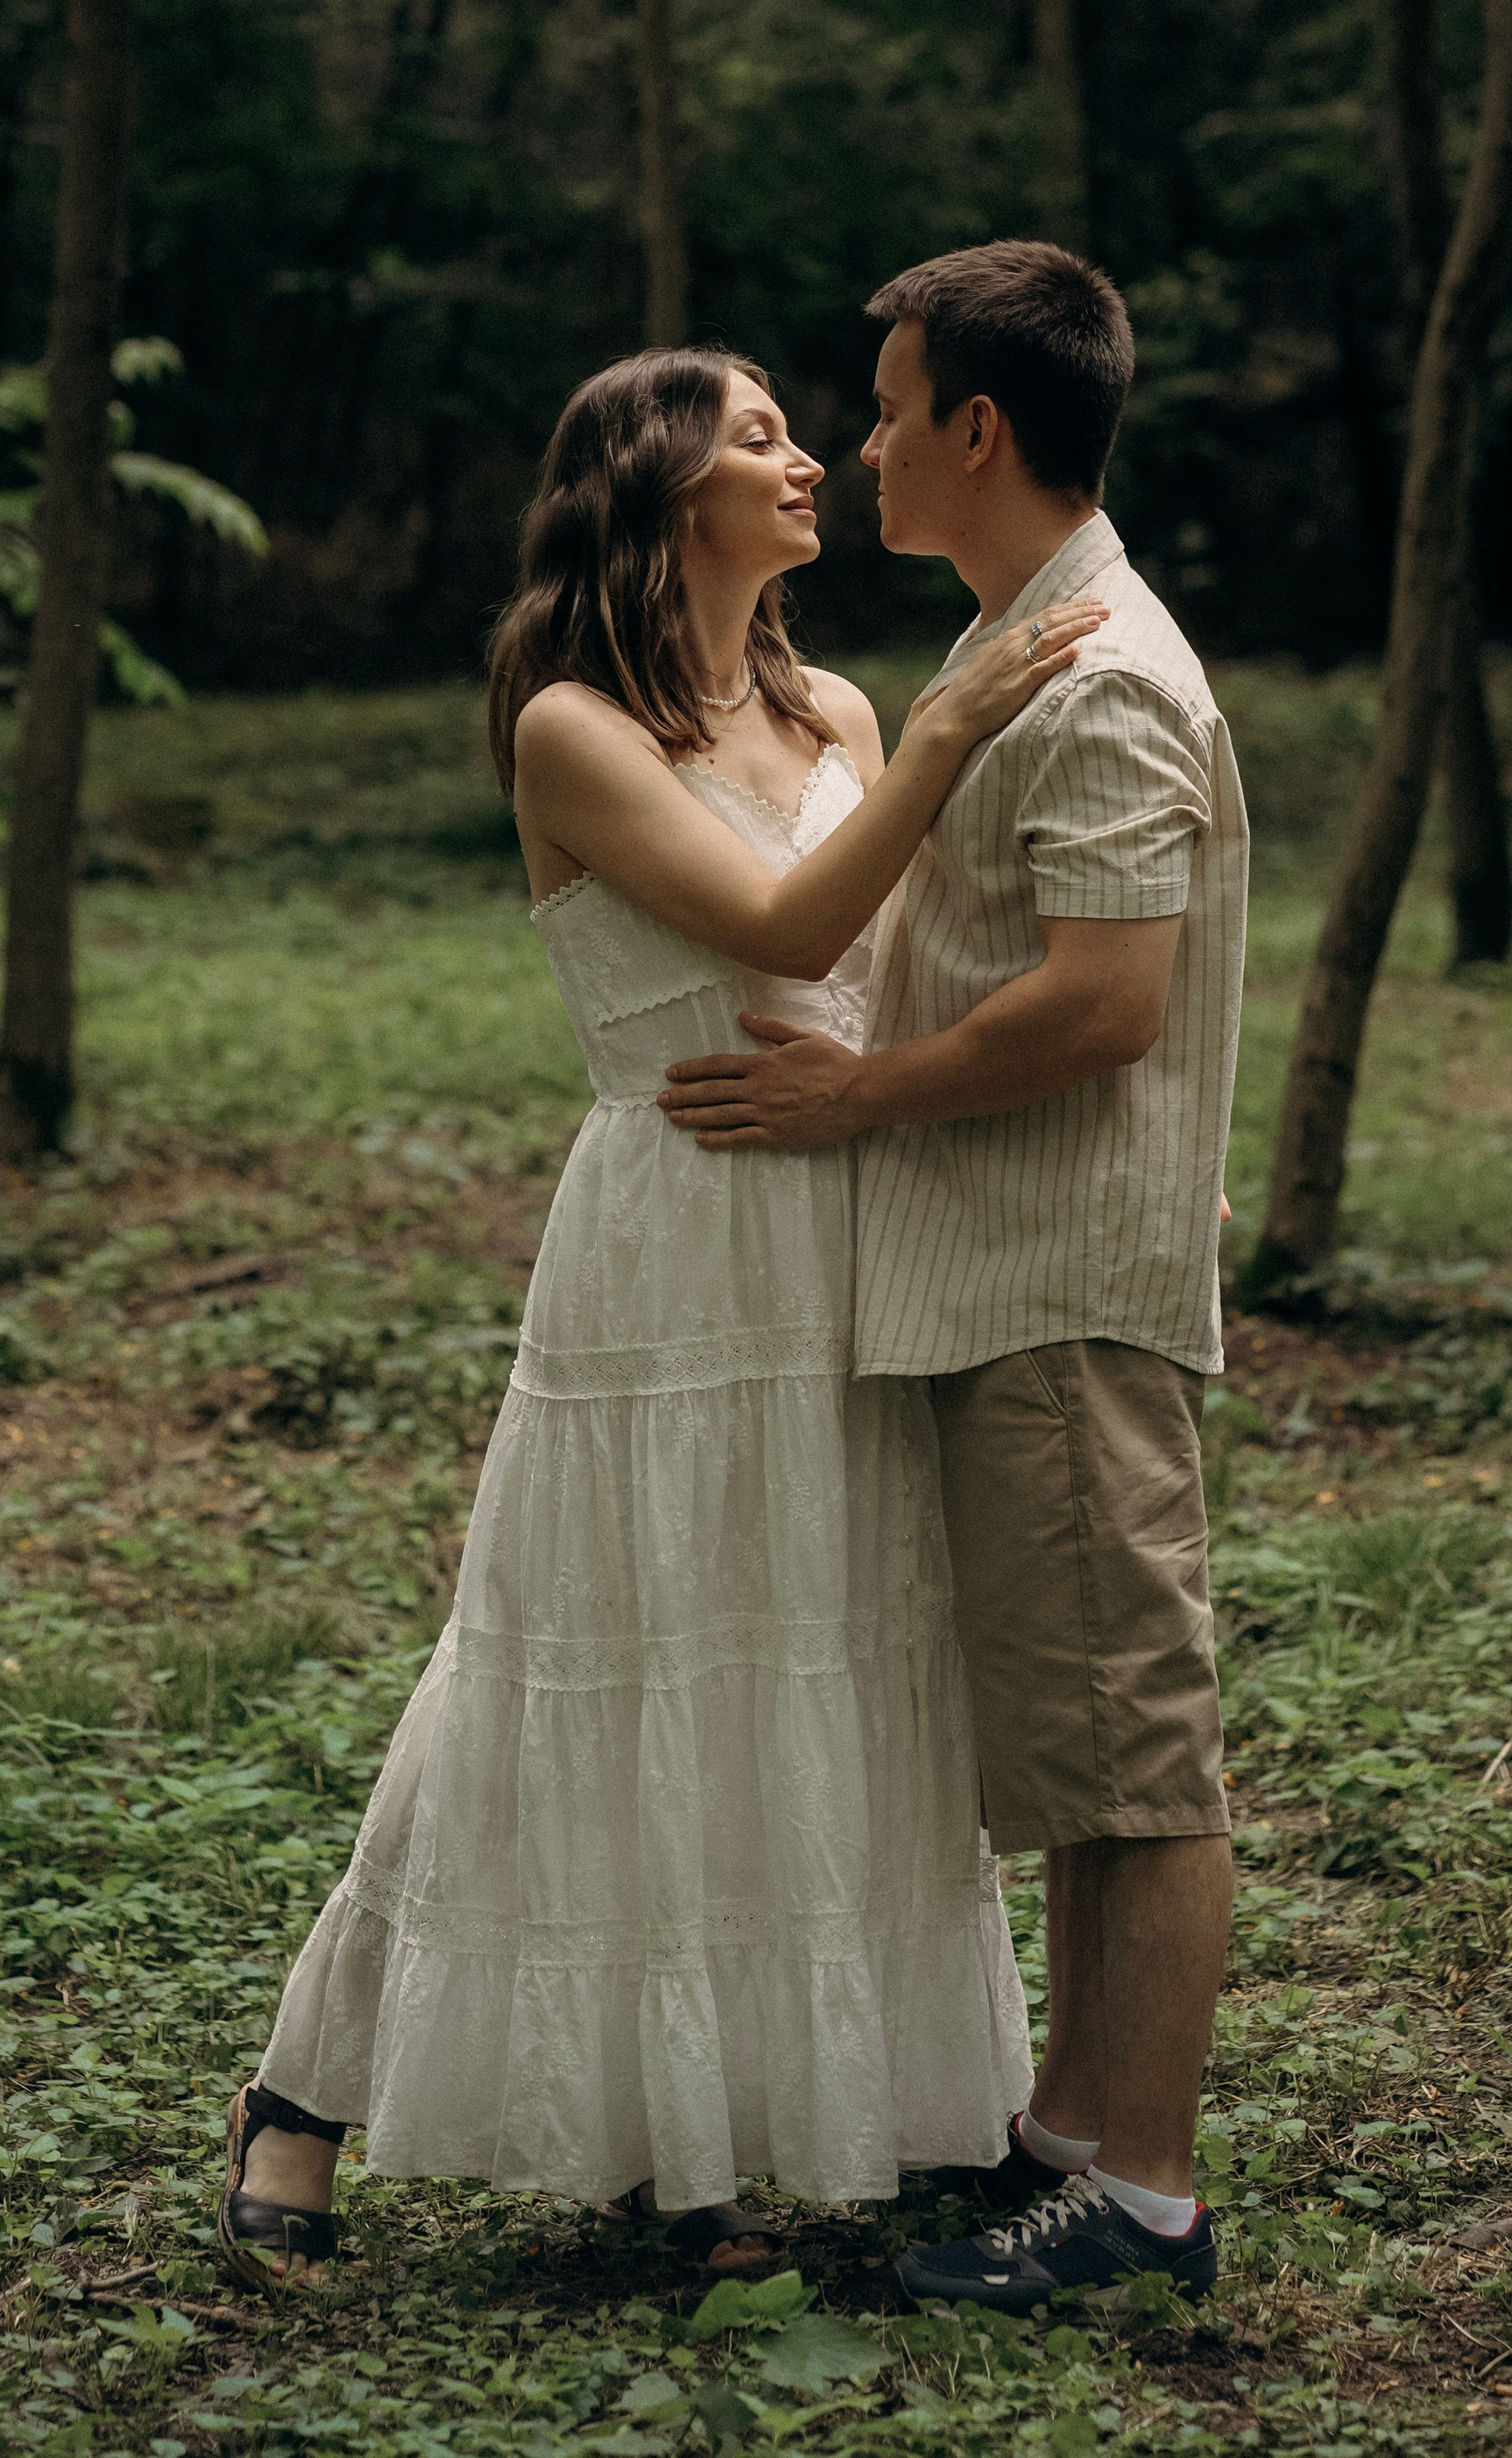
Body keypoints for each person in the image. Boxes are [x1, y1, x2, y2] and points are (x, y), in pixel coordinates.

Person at [218, 347, 1106, 2291]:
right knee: (576, 1671)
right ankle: (301, 2098)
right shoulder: (569, 728)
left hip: (848, 1229)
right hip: (671, 1238)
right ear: (654, 481)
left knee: (807, 1661)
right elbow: (779, 934)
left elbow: (893, 963)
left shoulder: (839, 706)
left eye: (809, 427)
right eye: (767, 431)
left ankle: (713, 2138)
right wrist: (952, 735)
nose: (815, 460)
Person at [661, 243, 1247, 2312]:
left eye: (890, 407)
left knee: (1133, 1750)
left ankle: (1141, 2202)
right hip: (1007, 1273)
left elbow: (1102, 1005)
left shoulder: (1091, 670)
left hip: (1053, 1274)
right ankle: (1061, 2142)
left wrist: (859, 1096)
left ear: (975, 429)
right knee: (1075, 1752)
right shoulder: (1024, 636)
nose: (861, 443)